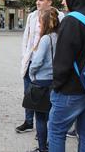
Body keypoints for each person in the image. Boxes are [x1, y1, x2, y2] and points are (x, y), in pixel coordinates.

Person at [16, 0, 64, 133]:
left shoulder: (59, 16)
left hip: (48, 64)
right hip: (32, 61)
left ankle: (45, 129)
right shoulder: (31, 16)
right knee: (29, 93)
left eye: (41, 0)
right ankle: (29, 122)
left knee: (46, 98)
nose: (37, 2)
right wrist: (25, 56)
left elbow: (61, 40)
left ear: (49, 2)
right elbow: (26, 37)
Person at [48, 0, 85, 152]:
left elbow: (62, 61)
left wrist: (56, 86)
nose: (64, 1)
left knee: (57, 131)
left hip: (70, 89)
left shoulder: (72, 21)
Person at [27, 8, 60, 152]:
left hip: (42, 81)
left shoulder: (46, 38)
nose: (39, 25)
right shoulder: (59, 36)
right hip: (55, 81)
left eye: (40, 22)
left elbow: (37, 61)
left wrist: (31, 74)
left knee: (40, 118)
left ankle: (42, 148)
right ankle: (51, 144)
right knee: (51, 116)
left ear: (45, 22)